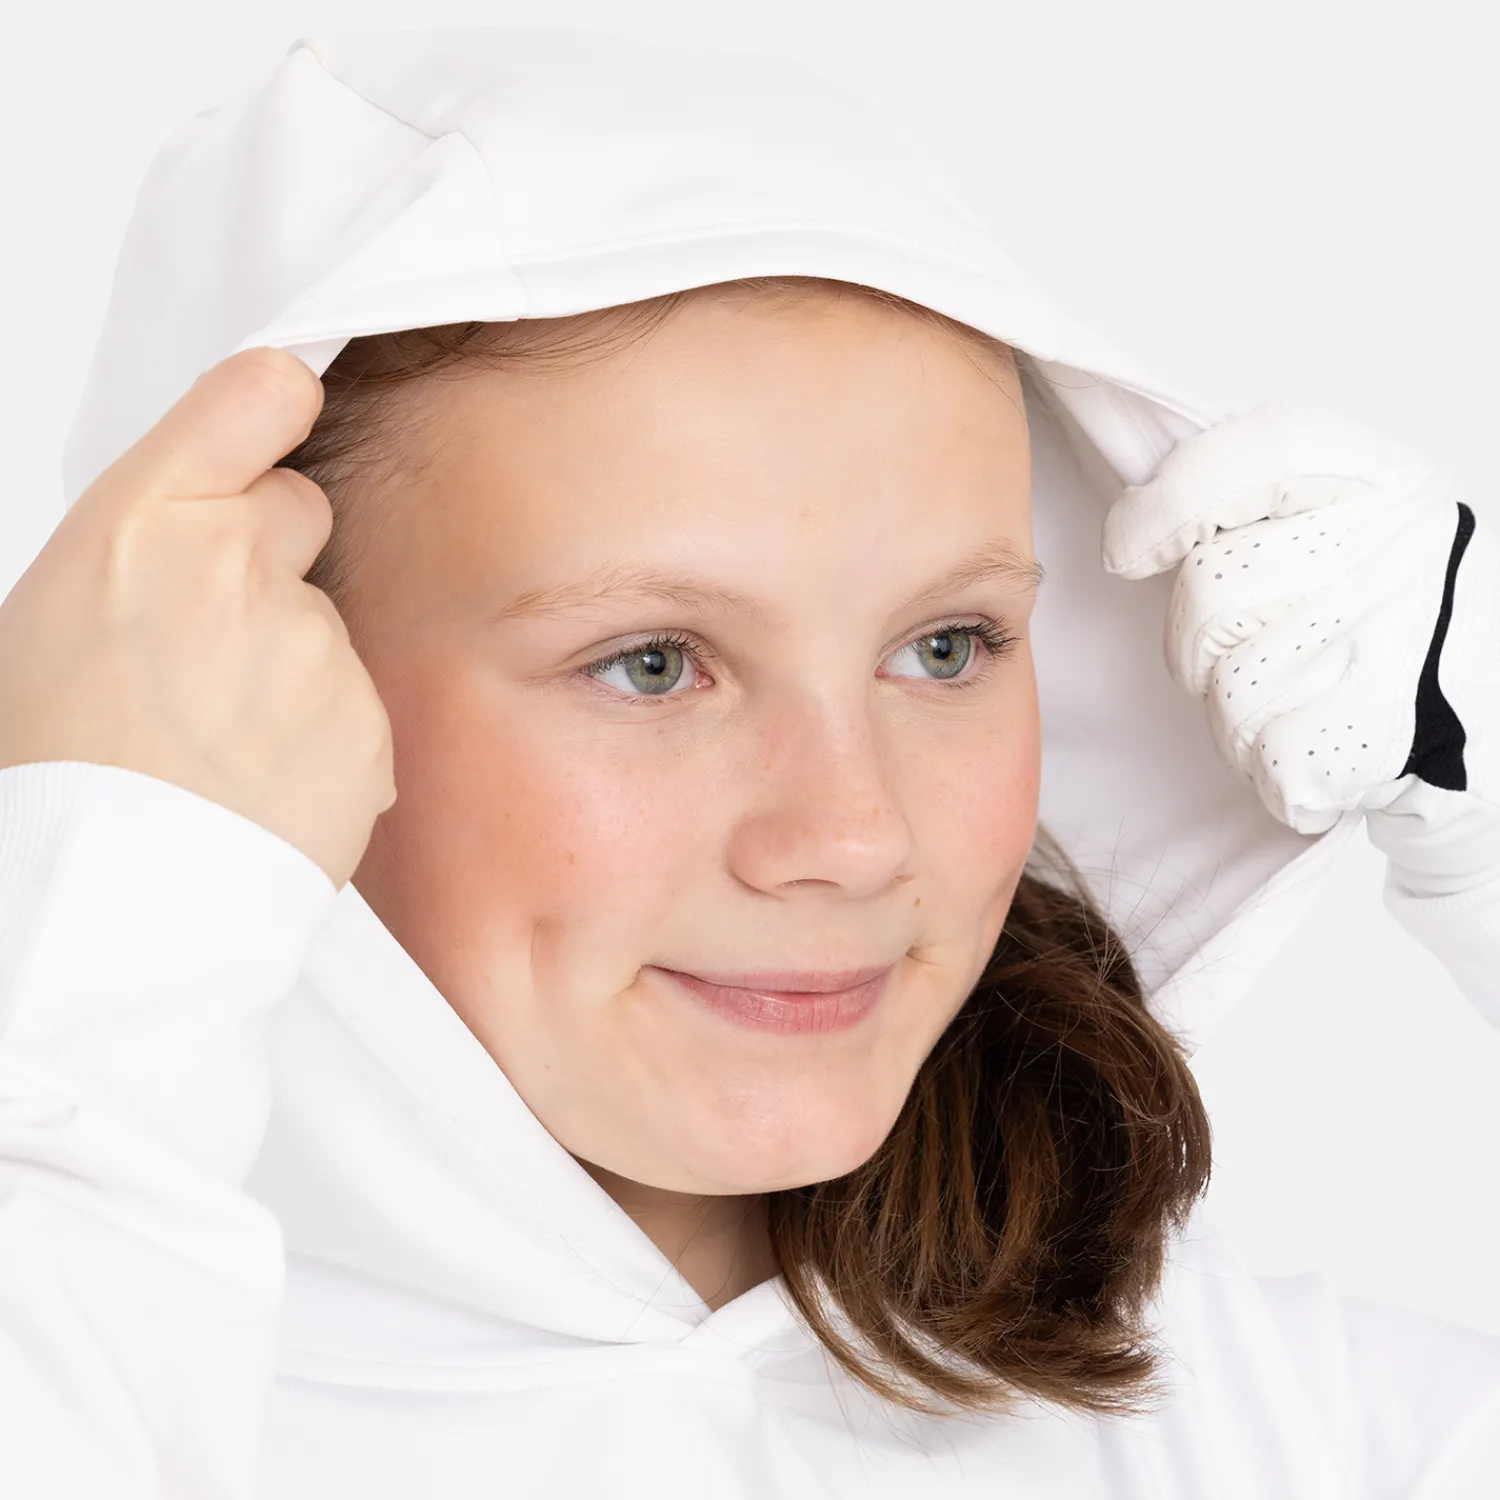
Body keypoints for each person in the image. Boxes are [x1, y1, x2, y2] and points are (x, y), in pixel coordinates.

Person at [1, 25, 1497, 1499]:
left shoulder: (1264, 1425)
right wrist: (104, 943)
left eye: (947, 646)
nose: (854, 836)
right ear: (243, 681)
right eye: (652, 664)